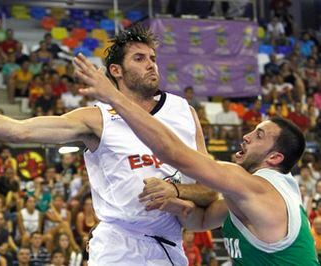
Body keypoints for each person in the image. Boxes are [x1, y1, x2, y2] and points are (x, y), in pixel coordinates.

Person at [0, 25, 217, 265]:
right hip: (118, 246)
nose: (151, 65)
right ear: (116, 71)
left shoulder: (183, 111)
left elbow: (208, 189)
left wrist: (175, 191)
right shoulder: (98, 118)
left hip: (170, 247)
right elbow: (20, 131)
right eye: (139, 59)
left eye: (152, 58)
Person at [73, 46, 319, 264]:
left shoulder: (255, 187)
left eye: (259, 136)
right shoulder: (251, 198)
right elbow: (199, 222)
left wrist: (113, 95)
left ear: (274, 158)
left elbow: (173, 153)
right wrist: (168, 203)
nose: (246, 136)